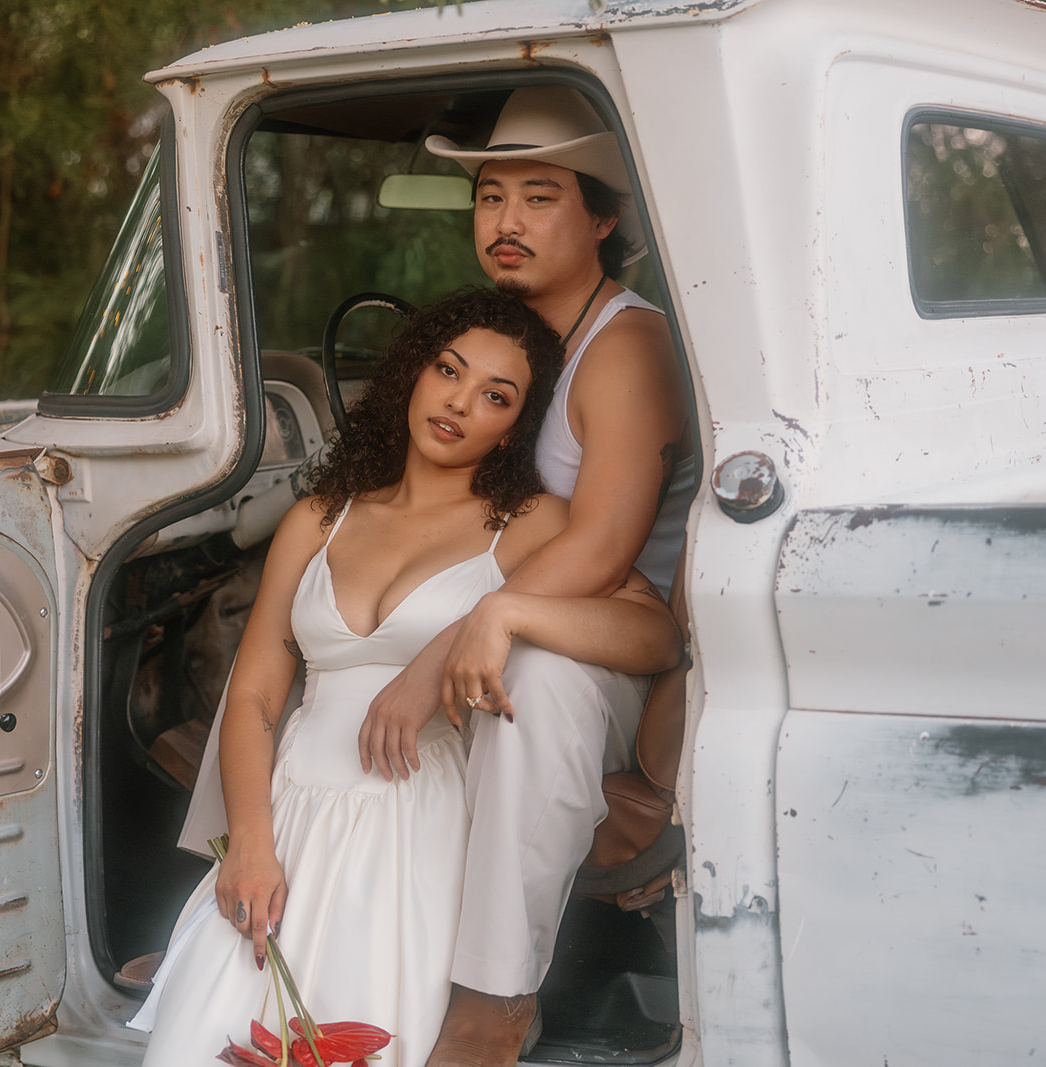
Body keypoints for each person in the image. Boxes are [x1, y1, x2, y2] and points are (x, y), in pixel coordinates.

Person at [129, 288, 678, 1066]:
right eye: (448, 370)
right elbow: (252, 697)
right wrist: (250, 842)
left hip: (419, 828)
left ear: (514, 427)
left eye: (496, 395)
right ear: (414, 374)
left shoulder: (530, 524)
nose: (459, 401)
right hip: (290, 819)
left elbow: (654, 636)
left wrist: (500, 615)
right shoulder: (318, 517)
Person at [348, 86, 700, 1064]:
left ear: (602, 216)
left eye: (538, 196)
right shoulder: (512, 339)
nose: (504, 221)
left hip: (615, 650)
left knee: (527, 680)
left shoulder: (625, 343)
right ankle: (300, 934)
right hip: (509, 613)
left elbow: (602, 547)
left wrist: (448, 646)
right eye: (489, 195)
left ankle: (491, 1000)